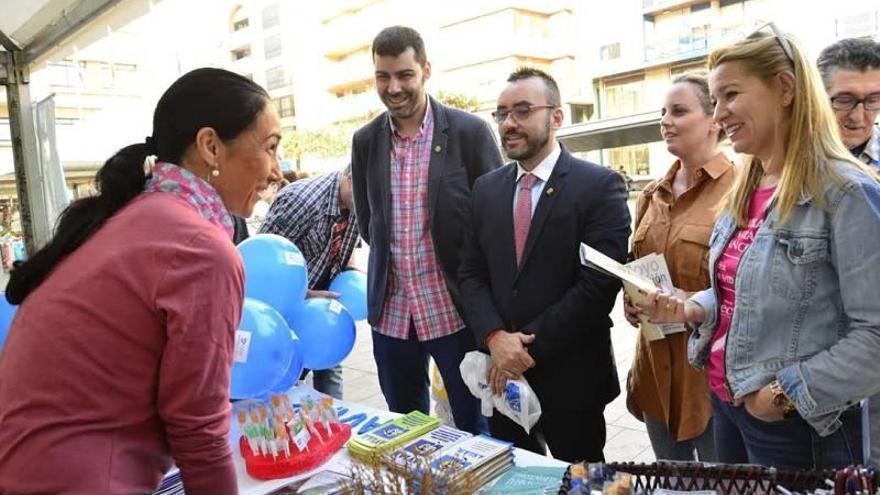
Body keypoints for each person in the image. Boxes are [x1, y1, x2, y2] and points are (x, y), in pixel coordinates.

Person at [0, 67, 282, 494]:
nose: (276, 171)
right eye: (271, 148)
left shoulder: (134, 216)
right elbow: (197, 425)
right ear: (211, 147)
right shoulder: (202, 248)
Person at [637, 24, 880, 470]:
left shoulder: (847, 193)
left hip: (799, 426)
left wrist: (783, 395)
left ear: (785, 89)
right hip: (729, 405)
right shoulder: (750, 187)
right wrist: (691, 308)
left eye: (730, 95)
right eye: (715, 101)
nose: (719, 114)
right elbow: (744, 293)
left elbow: (875, 335)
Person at [458, 68, 631, 462]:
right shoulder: (486, 189)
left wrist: (522, 349)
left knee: (585, 483)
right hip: (500, 376)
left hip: (571, 378)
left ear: (556, 116)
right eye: (501, 113)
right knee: (516, 478)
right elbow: (470, 272)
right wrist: (495, 338)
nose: (509, 123)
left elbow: (597, 286)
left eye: (522, 110)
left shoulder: (599, 186)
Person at [350, 26, 503, 435]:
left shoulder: (468, 132)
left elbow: (495, 222)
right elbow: (369, 223)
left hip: (454, 313)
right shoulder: (364, 140)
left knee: (475, 429)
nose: (393, 87)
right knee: (406, 429)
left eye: (404, 75)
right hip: (393, 317)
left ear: (426, 70)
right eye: (383, 76)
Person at [623, 73, 735, 462]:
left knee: (727, 486)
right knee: (672, 482)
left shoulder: (742, 191)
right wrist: (631, 299)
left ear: (716, 119)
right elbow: (639, 267)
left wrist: (691, 301)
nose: (665, 121)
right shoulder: (651, 196)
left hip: (711, 380)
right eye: (663, 112)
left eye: (679, 111)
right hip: (657, 370)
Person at [817, 36, 880, 468]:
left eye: (874, 100)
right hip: (814, 385)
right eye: (845, 101)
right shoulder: (792, 168)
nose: (861, 116)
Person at [259, 165, 359, 400]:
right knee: (282, 386)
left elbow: (350, 241)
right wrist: (302, 294)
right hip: (286, 312)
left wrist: (351, 274)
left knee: (330, 376)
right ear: (352, 179)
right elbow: (264, 261)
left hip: (324, 314)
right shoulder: (301, 200)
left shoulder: (359, 201)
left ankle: (333, 427)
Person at [818, 38, 880, 169]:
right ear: (817, 98)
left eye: (873, 100)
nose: (858, 117)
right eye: (845, 100)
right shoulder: (785, 156)